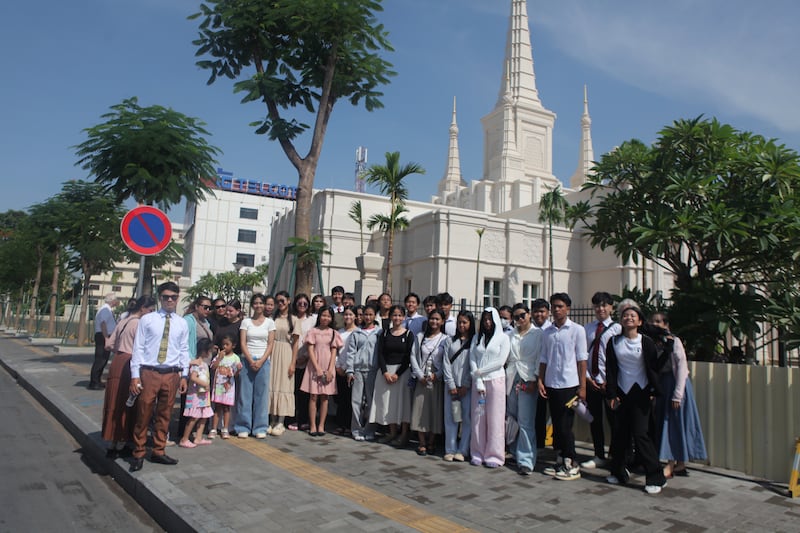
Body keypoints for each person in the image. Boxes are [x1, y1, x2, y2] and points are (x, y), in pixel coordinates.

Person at [605, 306, 668, 494]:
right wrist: (611, 394)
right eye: (625, 315)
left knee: (641, 434)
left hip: (640, 393)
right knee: (619, 434)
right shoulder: (614, 341)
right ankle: (618, 472)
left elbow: (654, 367)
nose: (628, 318)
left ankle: (656, 477)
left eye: (633, 316)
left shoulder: (646, 342)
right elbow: (610, 370)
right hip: (622, 393)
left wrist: (667, 349)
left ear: (640, 321)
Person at [129, 282, 190, 472]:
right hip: (150, 372)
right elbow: (138, 347)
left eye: (173, 296)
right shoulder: (148, 320)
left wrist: (184, 375)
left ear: (177, 298)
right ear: (160, 298)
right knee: (144, 412)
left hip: (171, 373)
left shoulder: (182, 323)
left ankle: (159, 450)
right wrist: (135, 376)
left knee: (165, 414)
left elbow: (184, 350)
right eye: (165, 297)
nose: (169, 300)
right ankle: (138, 452)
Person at [649, 312, 707, 479]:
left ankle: (671, 463)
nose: (656, 324)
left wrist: (678, 394)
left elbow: (682, 367)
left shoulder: (674, 341)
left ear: (666, 324)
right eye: (653, 321)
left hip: (675, 385)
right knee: (670, 423)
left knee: (675, 423)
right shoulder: (653, 342)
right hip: (662, 386)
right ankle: (679, 464)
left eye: (659, 321)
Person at [537, 293, 587, 481]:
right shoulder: (547, 332)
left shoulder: (577, 330)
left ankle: (572, 461)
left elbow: (582, 360)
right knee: (557, 425)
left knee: (566, 425)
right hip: (551, 383)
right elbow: (543, 358)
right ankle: (561, 458)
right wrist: (541, 380)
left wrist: (582, 387)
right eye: (554, 306)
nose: (556, 309)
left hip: (569, 384)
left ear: (568, 308)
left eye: (560, 306)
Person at [101, 295, 155, 458]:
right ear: (143, 308)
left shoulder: (123, 320)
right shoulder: (139, 324)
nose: (151, 314)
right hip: (131, 363)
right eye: (150, 310)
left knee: (113, 402)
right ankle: (122, 441)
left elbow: (109, 344)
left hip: (117, 361)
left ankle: (112, 441)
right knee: (128, 403)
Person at [581, 291, 621, 470]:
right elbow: (582, 356)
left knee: (615, 422)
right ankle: (598, 454)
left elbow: (621, 359)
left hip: (610, 384)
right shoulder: (587, 329)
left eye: (604, 305)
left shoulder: (617, 329)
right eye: (597, 305)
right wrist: (588, 379)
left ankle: (617, 456)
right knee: (595, 420)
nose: (600, 309)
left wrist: (610, 381)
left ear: (611, 307)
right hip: (591, 382)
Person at [469, 308, 510, 468]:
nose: (487, 322)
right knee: (478, 419)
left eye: (490, 319)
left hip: (495, 380)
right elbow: (472, 357)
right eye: (484, 319)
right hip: (478, 383)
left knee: (495, 419)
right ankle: (477, 452)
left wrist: (481, 371)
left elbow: (500, 361)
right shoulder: (477, 338)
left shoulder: (503, 338)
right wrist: (477, 377)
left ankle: (495, 455)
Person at [370, 304, 416, 447]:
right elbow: (381, 354)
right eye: (394, 315)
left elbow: (409, 356)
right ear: (390, 317)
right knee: (388, 403)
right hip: (386, 373)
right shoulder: (384, 333)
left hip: (401, 374)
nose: (397, 318)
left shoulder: (409, 334)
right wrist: (385, 372)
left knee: (403, 404)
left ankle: (403, 435)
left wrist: (397, 374)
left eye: (399, 315)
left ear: (404, 317)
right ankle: (392, 432)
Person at [506, 303, 543, 475]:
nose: (520, 319)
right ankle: (513, 451)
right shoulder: (510, 334)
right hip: (511, 376)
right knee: (511, 417)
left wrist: (535, 378)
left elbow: (539, 358)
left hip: (528, 378)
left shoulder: (538, 334)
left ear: (529, 315)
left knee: (526, 420)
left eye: (522, 315)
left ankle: (526, 459)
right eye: (516, 317)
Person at [235, 293, 276, 439]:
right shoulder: (246, 322)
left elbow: (270, 344)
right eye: (256, 303)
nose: (258, 305)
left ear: (265, 305)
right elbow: (243, 343)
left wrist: (261, 360)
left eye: (261, 303)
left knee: (261, 395)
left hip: (263, 361)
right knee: (244, 395)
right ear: (252, 305)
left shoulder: (270, 323)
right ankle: (243, 426)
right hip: (247, 360)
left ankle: (260, 427)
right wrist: (250, 360)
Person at [301, 307, 344, 436]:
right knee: (313, 396)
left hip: (328, 366)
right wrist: (317, 368)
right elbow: (310, 351)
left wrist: (330, 370)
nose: (325, 318)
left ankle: (321, 426)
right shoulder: (312, 332)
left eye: (328, 316)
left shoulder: (333, 333)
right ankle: (313, 425)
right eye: (323, 315)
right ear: (319, 316)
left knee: (325, 397)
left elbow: (334, 351)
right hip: (314, 366)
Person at [410, 309, 447, 456]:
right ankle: (422, 443)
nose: (434, 322)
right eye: (432, 319)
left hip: (436, 381)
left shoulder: (445, 339)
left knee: (434, 411)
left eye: (438, 319)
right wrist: (419, 375)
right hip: (422, 380)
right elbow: (413, 356)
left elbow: (447, 361)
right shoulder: (420, 337)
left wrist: (438, 374)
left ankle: (431, 442)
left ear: (442, 321)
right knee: (420, 411)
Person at [441, 310, 474, 462]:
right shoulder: (449, 341)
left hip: (467, 387)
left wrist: (466, 384)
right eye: (459, 322)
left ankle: (463, 449)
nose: (461, 325)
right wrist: (451, 383)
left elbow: (473, 364)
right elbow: (446, 363)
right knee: (451, 417)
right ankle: (450, 449)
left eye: (465, 322)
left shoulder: (474, 341)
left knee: (467, 418)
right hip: (451, 386)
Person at [179, 295, 214, 438]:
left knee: (200, 400)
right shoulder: (188, 321)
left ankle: (195, 433)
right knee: (189, 401)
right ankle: (183, 433)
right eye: (205, 307)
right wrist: (188, 362)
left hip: (204, 365)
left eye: (209, 308)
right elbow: (183, 343)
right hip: (193, 365)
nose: (207, 310)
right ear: (196, 306)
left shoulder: (206, 322)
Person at [345, 305, 381, 441]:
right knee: (356, 401)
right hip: (358, 370)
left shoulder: (379, 332)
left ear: (374, 316)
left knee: (371, 402)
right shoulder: (356, 333)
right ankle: (356, 429)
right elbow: (351, 352)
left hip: (373, 370)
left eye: (371, 314)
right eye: (365, 314)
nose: (368, 317)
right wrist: (350, 370)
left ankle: (370, 429)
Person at [268, 291, 299, 437]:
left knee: (284, 385)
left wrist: (293, 362)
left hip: (286, 352)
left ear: (288, 301)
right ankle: (271, 418)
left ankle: (281, 420)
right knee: (272, 384)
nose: (280, 304)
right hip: (273, 351)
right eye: (277, 301)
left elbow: (296, 344)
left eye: (282, 300)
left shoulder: (294, 320)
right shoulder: (272, 319)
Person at [179, 339, 214, 448]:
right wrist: (204, 383)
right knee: (194, 417)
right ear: (205, 351)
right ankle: (184, 438)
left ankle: (198, 437)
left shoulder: (204, 364)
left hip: (204, 395)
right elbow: (193, 377)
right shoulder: (196, 363)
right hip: (196, 395)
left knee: (204, 415)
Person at [288, 293, 315, 431]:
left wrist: (305, 357)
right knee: (291, 390)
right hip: (290, 358)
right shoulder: (290, 318)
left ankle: (303, 419)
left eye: (305, 303)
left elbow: (313, 340)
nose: (302, 305)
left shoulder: (312, 320)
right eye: (300, 303)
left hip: (306, 359)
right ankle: (291, 418)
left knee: (304, 392)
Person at [212, 334, 243, 439]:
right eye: (223, 344)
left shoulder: (235, 358)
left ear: (233, 345)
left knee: (226, 408)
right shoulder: (219, 356)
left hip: (228, 387)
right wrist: (219, 359)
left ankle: (225, 428)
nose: (224, 347)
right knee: (217, 407)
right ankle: (214, 428)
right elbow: (213, 367)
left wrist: (237, 370)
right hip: (218, 386)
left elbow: (236, 373)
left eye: (227, 344)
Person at [334, 306, 359, 436]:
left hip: (352, 370)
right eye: (346, 314)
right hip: (339, 369)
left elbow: (357, 353)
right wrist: (338, 366)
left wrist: (349, 368)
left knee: (351, 399)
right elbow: (336, 351)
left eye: (351, 314)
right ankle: (340, 424)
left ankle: (349, 425)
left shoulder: (358, 332)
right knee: (340, 399)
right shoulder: (339, 332)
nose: (348, 317)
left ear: (355, 316)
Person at [530, 298, 551, 450]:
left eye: (542, 311)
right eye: (536, 311)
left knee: (557, 414)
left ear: (548, 313)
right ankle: (539, 444)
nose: (539, 314)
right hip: (535, 377)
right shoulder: (530, 330)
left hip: (554, 377)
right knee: (538, 412)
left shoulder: (551, 329)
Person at [89, 293, 120, 389]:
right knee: (100, 359)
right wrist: (106, 338)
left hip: (104, 335)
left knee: (103, 359)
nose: (117, 301)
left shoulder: (107, 309)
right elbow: (103, 324)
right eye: (116, 299)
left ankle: (97, 380)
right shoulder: (105, 310)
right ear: (112, 301)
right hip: (103, 336)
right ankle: (94, 382)